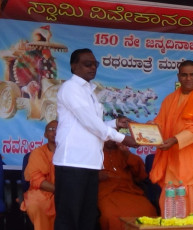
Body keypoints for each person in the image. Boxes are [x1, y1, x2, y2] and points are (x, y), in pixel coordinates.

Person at [53, 48, 138, 230]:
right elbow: (91, 122)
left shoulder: (89, 91)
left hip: (90, 164)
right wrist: (123, 138)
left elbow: (92, 125)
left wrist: (115, 123)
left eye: (94, 64)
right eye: (87, 64)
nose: (92, 67)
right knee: (68, 219)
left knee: (88, 218)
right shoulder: (71, 88)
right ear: (73, 66)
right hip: (73, 163)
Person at [149, 60, 193, 216]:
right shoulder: (170, 99)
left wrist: (175, 140)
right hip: (173, 161)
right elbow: (159, 123)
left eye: (192, 75)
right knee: (171, 208)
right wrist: (145, 131)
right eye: (184, 75)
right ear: (178, 76)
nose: (188, 78)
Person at [98, 140, 156, 230]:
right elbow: (85, 174)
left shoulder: (123, 152)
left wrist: (128, 154)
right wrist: (96, 175)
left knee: (148, 210)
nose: (111, 139)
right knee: (111, 215)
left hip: (129, 191)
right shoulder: (95, 152)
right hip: (106, 192)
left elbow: (141, 175)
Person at [20, 120, 57, 230]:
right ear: (45, 134)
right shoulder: (37, 153)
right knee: (35, 204)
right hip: (41, 192)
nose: (54, 132)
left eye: (57, 129)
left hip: (63, 193)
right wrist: (59, 190)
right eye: (50, 129)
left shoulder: (69, 153)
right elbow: (36, 180)